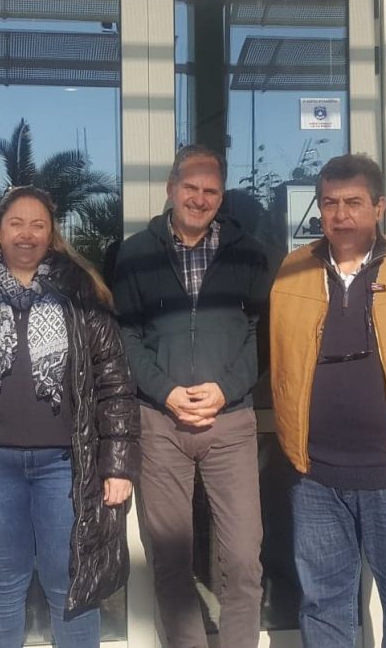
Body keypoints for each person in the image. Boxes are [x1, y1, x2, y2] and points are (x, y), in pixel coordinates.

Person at [0, 186, 140, 648]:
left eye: (38, 225)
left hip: (65, 464)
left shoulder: (82, 293)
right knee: (1, 584)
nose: (27, 234)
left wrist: (117, 464)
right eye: (16, 224)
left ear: (51, 234)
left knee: (70, 583)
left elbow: (114, 383)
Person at [268, 153, 386, 648]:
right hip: (315, 475)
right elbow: (276, 353)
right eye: (330, 203)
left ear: (379, 207)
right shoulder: (293, 270)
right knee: (323, 607)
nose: (341, 215)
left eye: (353, 202)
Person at [110, 145, 275, 648]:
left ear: (221, 197)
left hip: (231, 422)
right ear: (171, 188)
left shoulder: (250, 253)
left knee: (243, 560)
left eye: (211, 191)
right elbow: (125, 335)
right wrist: (165, 390)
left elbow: (263, 335)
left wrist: (226, 389)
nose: (200, 199)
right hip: (161, 423)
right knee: (170, 560)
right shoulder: (134, 253)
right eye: (191, 188)